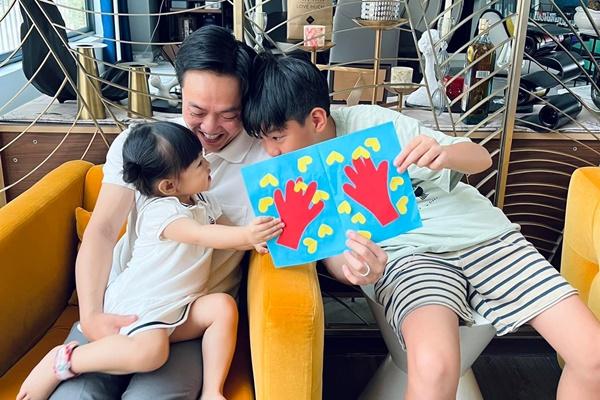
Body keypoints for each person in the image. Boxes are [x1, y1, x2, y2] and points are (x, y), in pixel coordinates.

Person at [52, 26, 384, 399]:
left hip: (191, 321)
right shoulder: (144, 145)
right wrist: (92, 316)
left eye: (229, 115)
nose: (209, 129)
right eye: (196, 111)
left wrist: (355, 267)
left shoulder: (271, 158)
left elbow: (319, 235)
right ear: (179, 92)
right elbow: (101, 231)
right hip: (122, 306)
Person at [243, 54, 600, 399]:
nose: (270, 150)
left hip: (483, 236)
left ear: (317, 119)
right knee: (433, 368)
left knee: (593, 356)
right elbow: (332, 256)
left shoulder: (373, 123)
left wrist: (444, 154)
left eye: (277, 137)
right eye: (263, 139)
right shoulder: (282, 174)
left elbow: (479, 158)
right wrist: (357, 271)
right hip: (407, 259)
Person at [18, 121, 284, 400]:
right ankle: (64, 360)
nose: (208, 164)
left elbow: (224, 230)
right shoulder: (162, 212)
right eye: (198, 163)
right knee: (151, 352)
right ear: (169, 185)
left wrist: (254, 237)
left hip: (176, 307)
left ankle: (212, 391)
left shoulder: (201, 201)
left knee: (222, 306)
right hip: (144, 304)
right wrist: (246, 234)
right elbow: (203, 234)